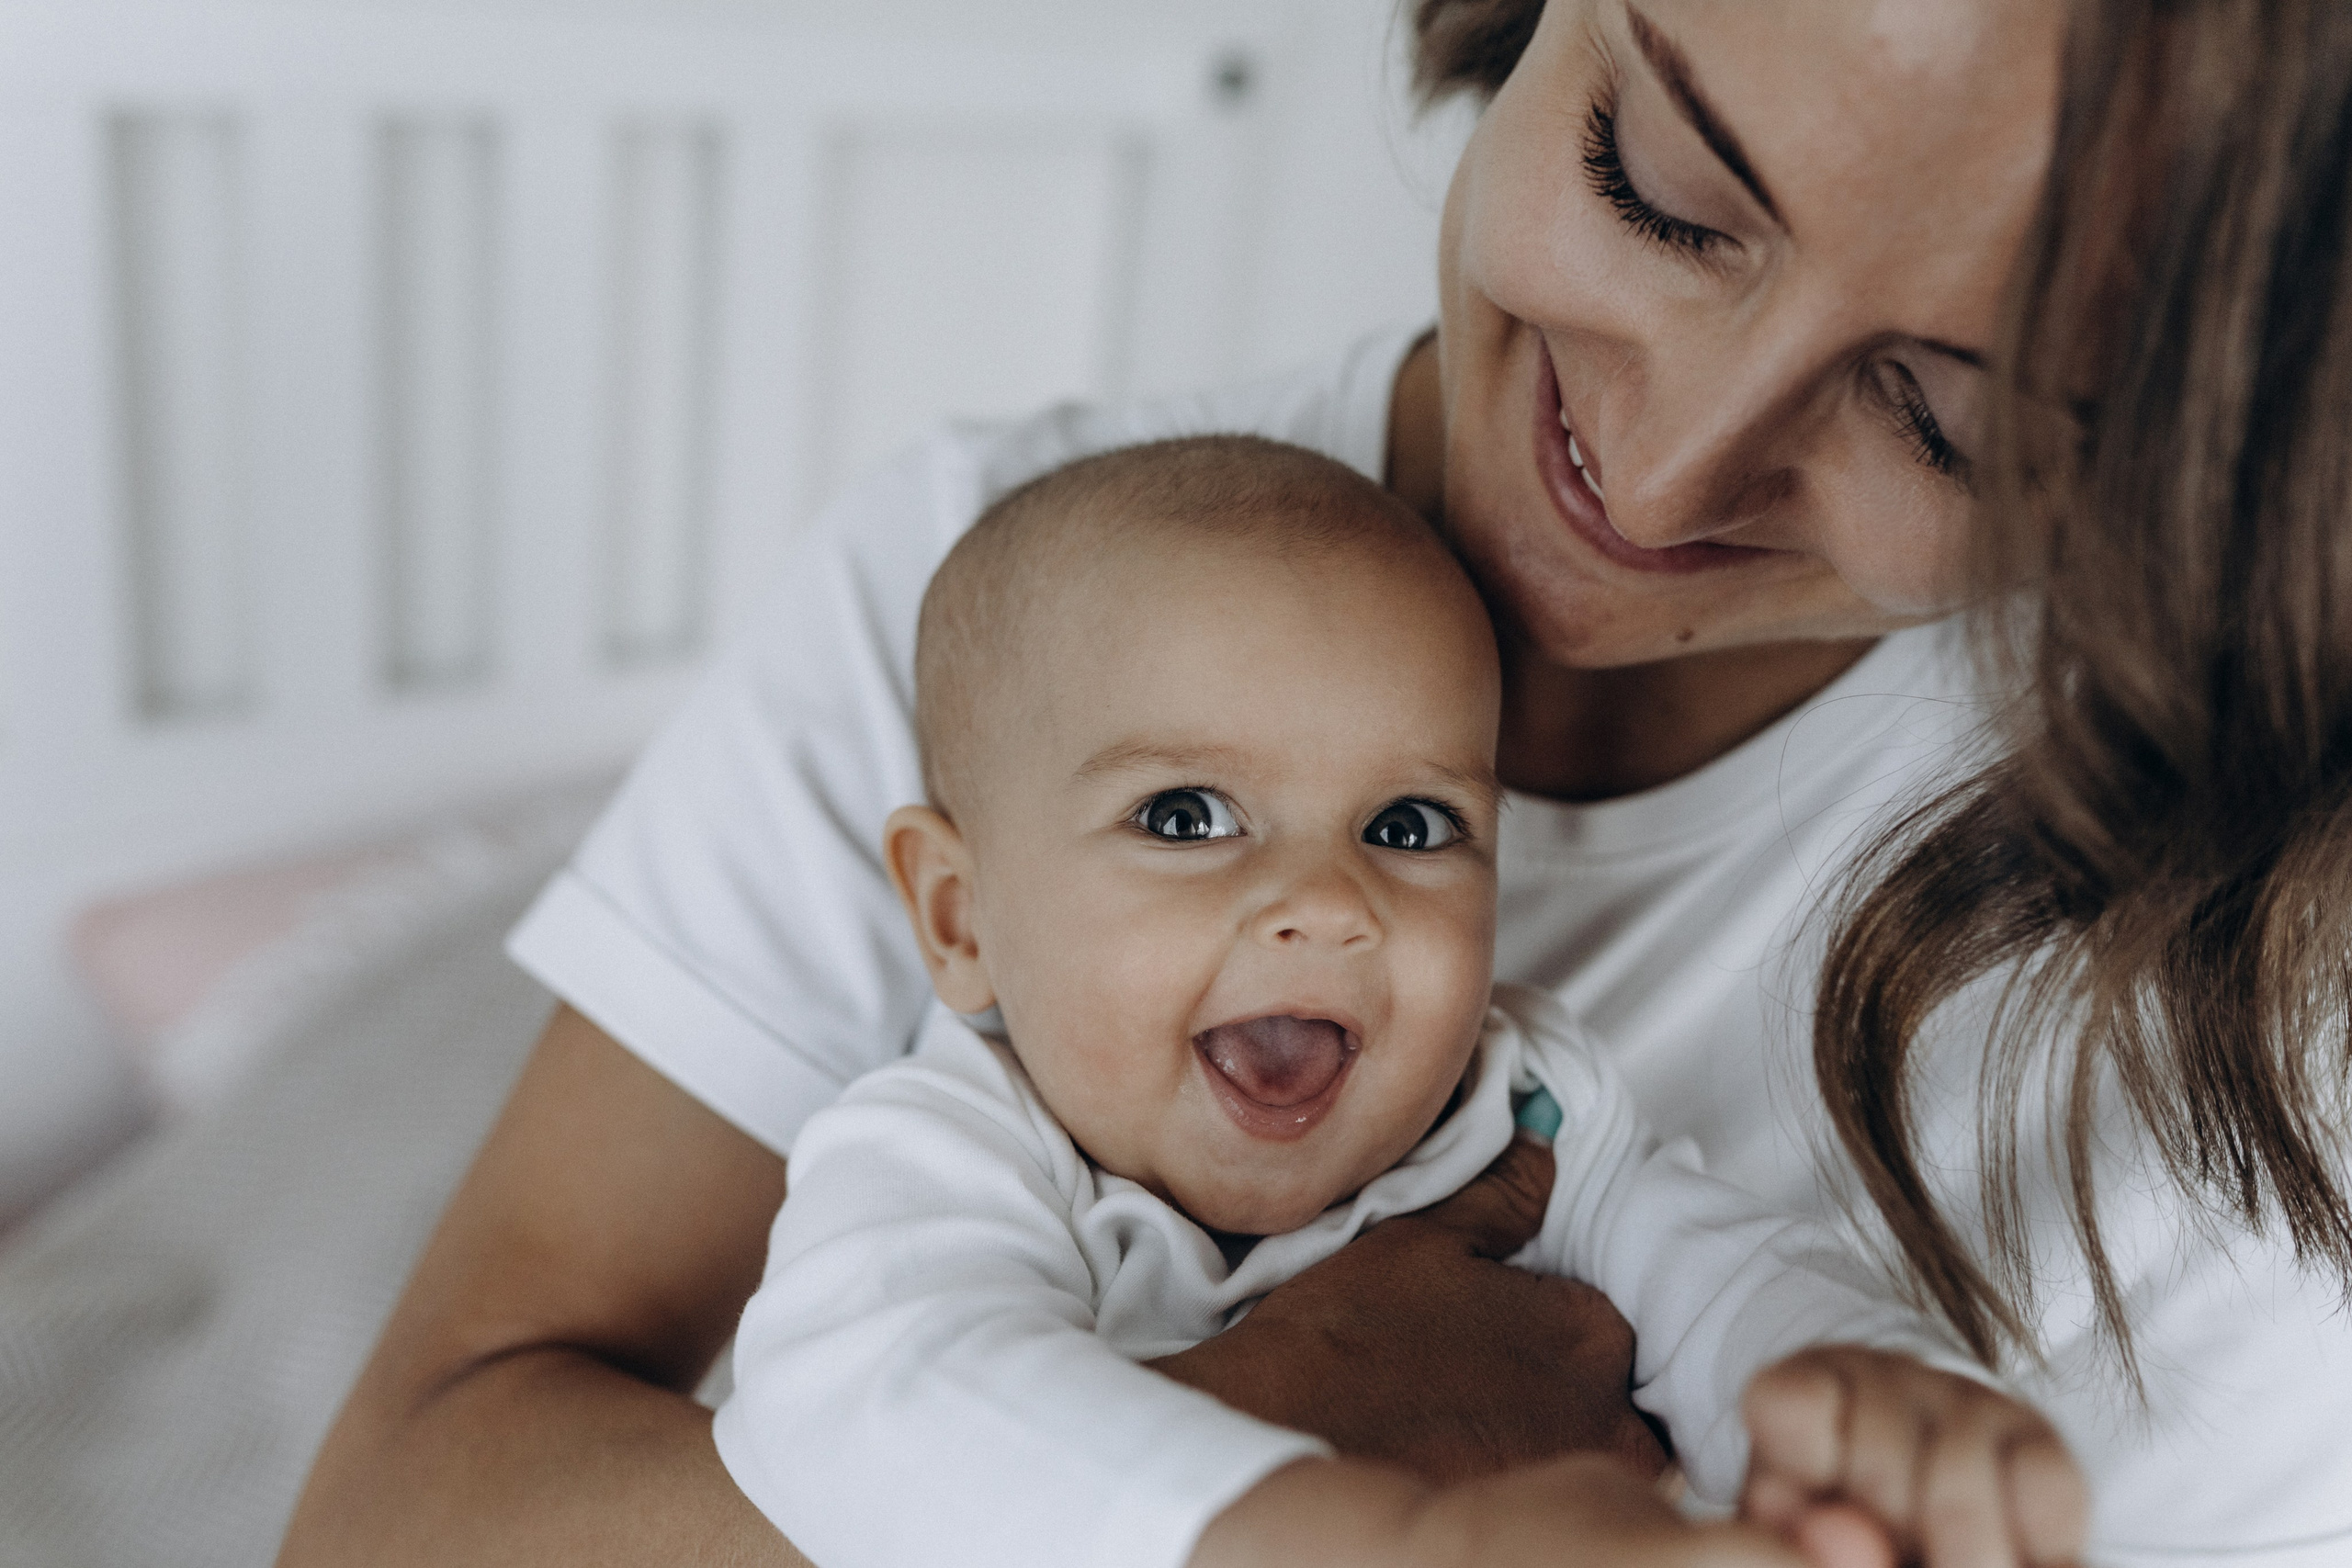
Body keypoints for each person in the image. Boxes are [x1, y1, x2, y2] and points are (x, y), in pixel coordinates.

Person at [278, 2, 2352, 1564]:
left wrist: (1860, 1395)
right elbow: (411, 1507)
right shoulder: (986, 615)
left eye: (1939, 422)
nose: (1657, 467)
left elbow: (1697, 1254)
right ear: (953, 906)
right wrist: (1285, 1448)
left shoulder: (2248, 1012)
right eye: (1656, 189)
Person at [715, 434, 2082, 1568]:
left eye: (1413, 825)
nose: (1332, 901)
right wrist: (1386, 1542)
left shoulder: (1521, 1111)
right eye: (1187, 816)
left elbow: (1723, 1281)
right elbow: (871, 1411)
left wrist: (1875, 1401)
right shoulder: (950, 1152)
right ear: (960, 917)